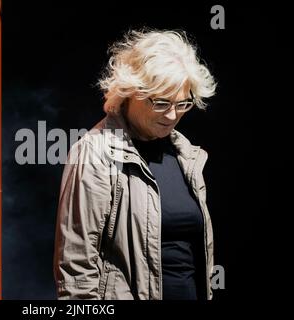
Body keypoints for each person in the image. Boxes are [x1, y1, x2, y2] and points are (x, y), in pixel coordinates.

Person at [53, 28, 217, 300]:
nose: (173, 114)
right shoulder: (95, 152)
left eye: (184, 104)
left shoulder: (187, 155)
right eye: (162, 103)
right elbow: (76, 267)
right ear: (131, 92)